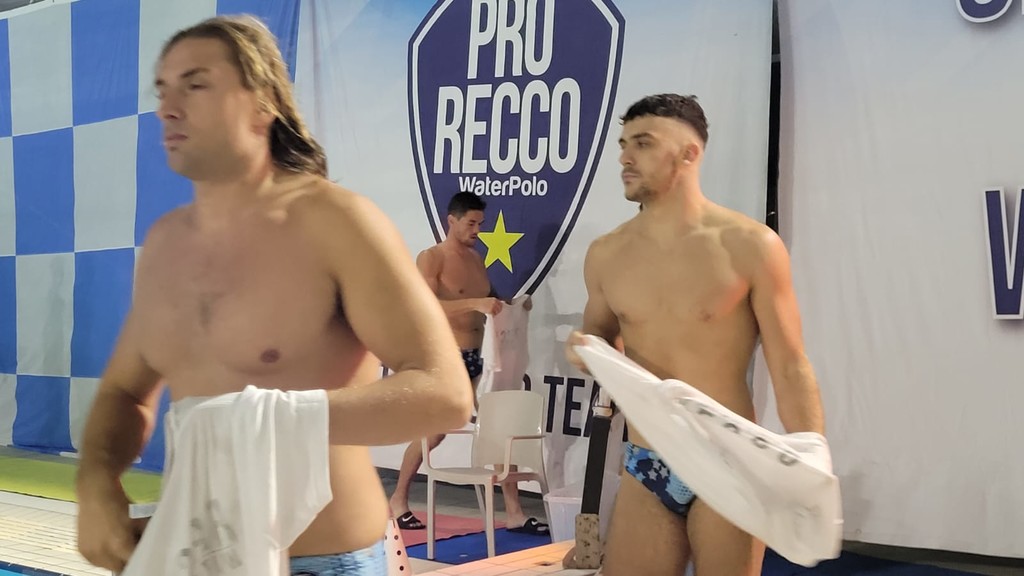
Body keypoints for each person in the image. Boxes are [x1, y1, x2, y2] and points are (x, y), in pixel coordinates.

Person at [74, 15, 474, 575]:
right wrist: (96, 479)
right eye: (162, 90)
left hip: (323, 561)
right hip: (200, 559)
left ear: (262, 104)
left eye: (195, 84)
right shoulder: (166, 244)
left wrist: (262, 420)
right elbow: (124, 392)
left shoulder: (335, 222)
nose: (167, 108)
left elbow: (445, 394)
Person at [565, 94, 826, 576]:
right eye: (623, 144)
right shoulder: (606, 254)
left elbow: (790, 364)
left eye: (643, 143)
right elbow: (598, 335)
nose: (625, 157)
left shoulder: (750, 246)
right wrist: (586, 348)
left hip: (730, 462)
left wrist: (813, 462)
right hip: (646, 462)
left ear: (689, 154)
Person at [388, 192, 548, 536]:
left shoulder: (476, 259)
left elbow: (491, 300)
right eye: (471, 223)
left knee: (499, 425)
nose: (477, 230)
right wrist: (476, 303)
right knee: (434, 432)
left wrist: (516, 304)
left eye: (480, 224)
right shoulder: (431, 258)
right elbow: (424, 308)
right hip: (445, 356)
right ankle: (398, 500)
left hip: (479, 357)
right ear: (452, 220)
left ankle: (515, 513)